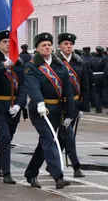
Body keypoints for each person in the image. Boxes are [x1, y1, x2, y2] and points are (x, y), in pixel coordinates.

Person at [24, 32, 77, 189]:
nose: (47, 47)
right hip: (40, 110)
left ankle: (31, 173)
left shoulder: (59, 65)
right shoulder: (31, 66)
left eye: (48, 45)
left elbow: (68, 90)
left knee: (44, 144)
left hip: (56, 109)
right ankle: (58, 177)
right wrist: (39, 102)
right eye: (43, 45)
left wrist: (70, 113)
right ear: (37, 48)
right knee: (48, 139)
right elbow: (33, 86)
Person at [0, 30, 26, 184]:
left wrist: (20, 105)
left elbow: (23, 87)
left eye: (10, 41)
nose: (8, 44)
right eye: (4, 42)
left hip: (13, 106)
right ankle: (6, 173)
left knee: (7, 138)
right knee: (5, 136)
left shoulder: (19, 62)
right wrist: (4, 65)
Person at [56, 33, 88, 177]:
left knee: (63, 137)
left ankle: (53, 164)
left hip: (74, 103)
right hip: (59, 104)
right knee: (67, 135)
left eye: (71, 44)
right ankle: (76, 166)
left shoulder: (80, 62)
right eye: (66, 44)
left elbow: (85, 86)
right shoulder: (54, 62)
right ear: (59, 46)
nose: (69, 46)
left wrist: (83, 107)